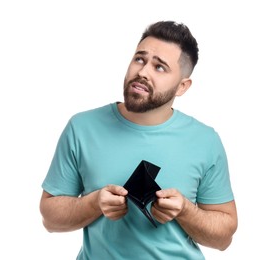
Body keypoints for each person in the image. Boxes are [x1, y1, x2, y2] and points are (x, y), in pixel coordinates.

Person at [40, 20, 238, 259]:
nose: (142, 72)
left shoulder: (205, 141)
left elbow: (223, 238)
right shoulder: (81, 128)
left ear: (182, 87)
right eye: (140, 59)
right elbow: (49, 219)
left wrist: (185, 211)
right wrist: (93, 203)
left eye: (160, 67)